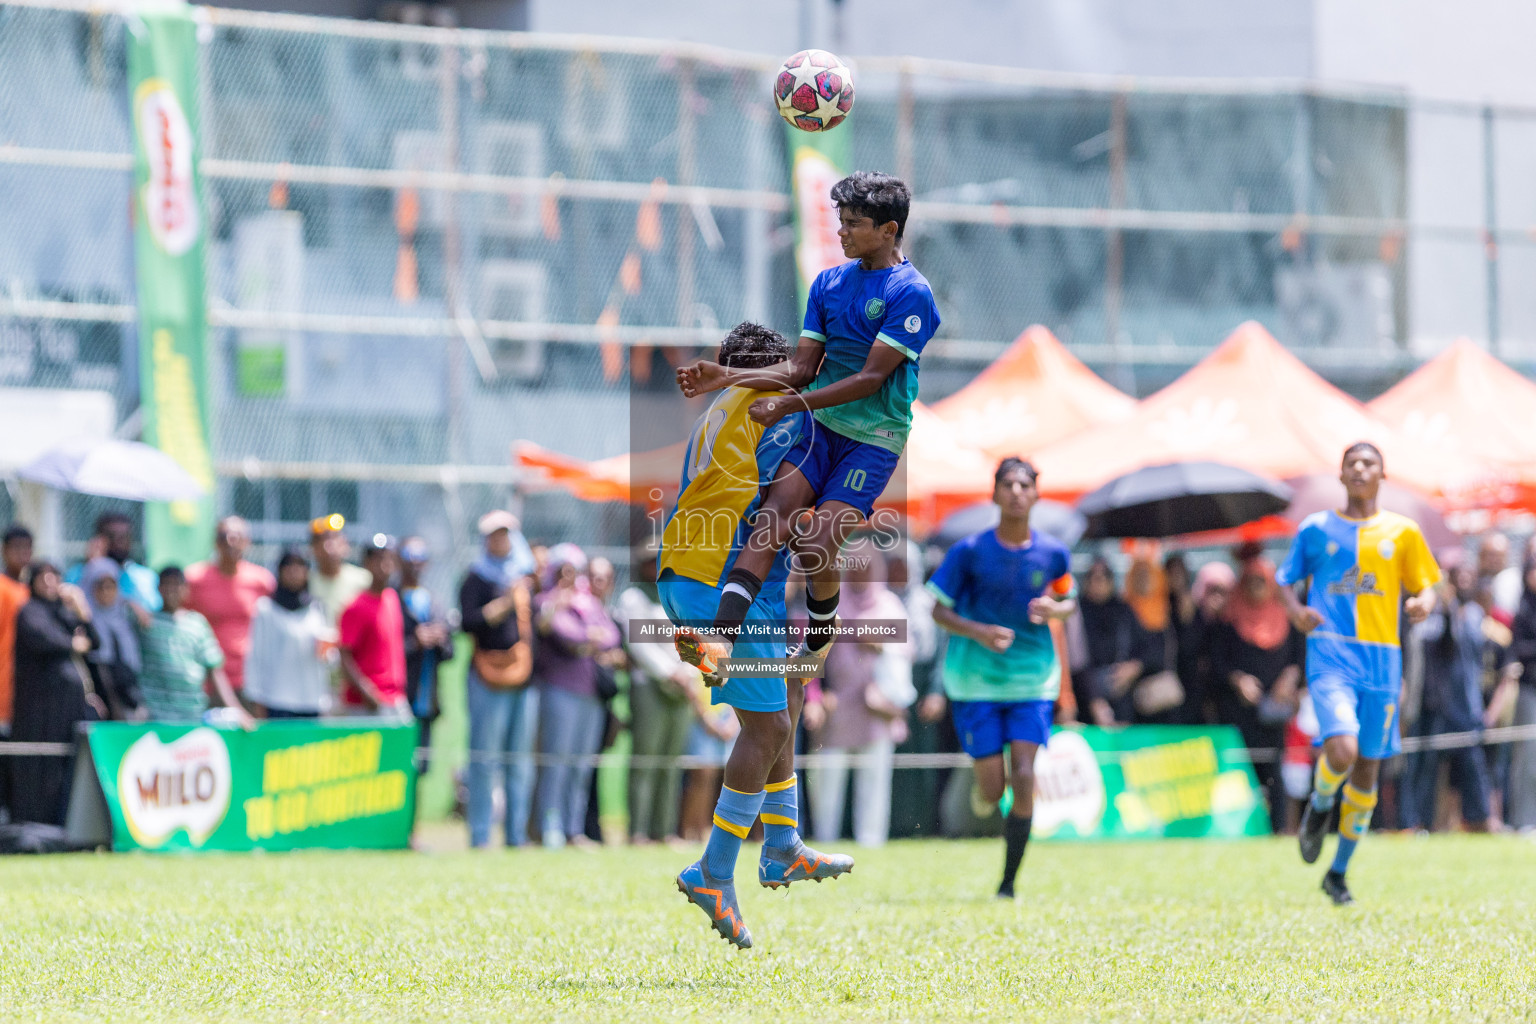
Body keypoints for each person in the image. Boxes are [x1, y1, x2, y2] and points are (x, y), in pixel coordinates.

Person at [673, 171, 939, 685]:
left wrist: (788, 408)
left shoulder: (912, 294)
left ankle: (819, 638)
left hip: (873, 439)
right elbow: (799, 369)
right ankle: (720, 643)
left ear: (888, 230)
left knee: (816, 541)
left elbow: (868, 380)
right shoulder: (828, 283)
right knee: (772, 517)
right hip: (820, 425)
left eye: (854, 224)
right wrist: (722, 376)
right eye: (839, 222)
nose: (842, 233)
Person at [659, 321, 854, 950]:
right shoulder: (772, 406)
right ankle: (716, 870)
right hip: (717, 581)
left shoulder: (723, 406)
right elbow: (784, 518)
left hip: (707, 573)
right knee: (766, 728)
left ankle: (783, 844)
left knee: (789, 697)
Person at [1282, 442, 1440, 905]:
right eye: (1352, 462)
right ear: (1341, 473)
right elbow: (1285, 582)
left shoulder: (1403, 532)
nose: (1359, 468)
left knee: (1369, 768)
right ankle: (1321, 803)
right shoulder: (1315, 530)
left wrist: (1421, 605)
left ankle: (1338, 872)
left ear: (1382, 475)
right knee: (1344, 747)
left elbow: (1427, 584)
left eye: (1368, 462)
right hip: (1331, 653)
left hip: (1383, 660)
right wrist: (1296, 611)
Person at [924, 458, 1076, 897]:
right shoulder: (969, 551)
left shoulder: (1053, 552)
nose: (1015, 491)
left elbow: (1069, 600)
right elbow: (938, 610)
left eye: (1024, 484)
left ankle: (1008, 883)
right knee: (992, 793)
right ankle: (1000, 809)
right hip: (975, 683)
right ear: (994, 494)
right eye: (1007, 484)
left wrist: (1054, 608)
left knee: (1025, 776)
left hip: (1034, 681)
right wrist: (980, 633)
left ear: (1036, 495)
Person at [804, 536, 913, 848]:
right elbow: (810, 649)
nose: (862, 573)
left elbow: (907, 649)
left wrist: (879, 639)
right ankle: (824, 843)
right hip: (836, 706)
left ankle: (871, 842)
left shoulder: (888, 603)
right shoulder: (831, 602)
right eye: (856, 566)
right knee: (827, 782)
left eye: (868, 567)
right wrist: (818, 695)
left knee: (874, 781)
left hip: (876, 708)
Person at [1403, 556, 1505, 832]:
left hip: (1465, 704)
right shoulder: (1429, 615)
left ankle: (1480, 819)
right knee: (1425, 767)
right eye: (1457, 577)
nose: (1463, 583)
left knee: (1472, 767)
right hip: (1433, 703)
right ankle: (1419, 823)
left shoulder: (1472, 614)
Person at [618, 546, 708, 845]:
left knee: (671, 762)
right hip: (650, 686)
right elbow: (640, 645)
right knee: (646, 759)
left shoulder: (677, 597)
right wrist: (671, 672)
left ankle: (665, 830)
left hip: (682, 686)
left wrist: (690, 673)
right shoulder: (634, 598)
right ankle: (639, 831)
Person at [460, 510, 536, 849]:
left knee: (519, 762)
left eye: (505, 534)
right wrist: (504, 603)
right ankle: (480, 835)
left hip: (524, 680)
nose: (500, 540)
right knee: (484, 760)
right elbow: (468, 622)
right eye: (494, 534)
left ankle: (516, 837)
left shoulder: (526, 577)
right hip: (486, 679)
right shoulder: (475, 579)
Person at [1214, 555, 1305, 833]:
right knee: (1242, 772)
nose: (1256, 588)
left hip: (1274, 712)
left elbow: (1300, 657)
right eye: (1251, 581)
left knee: (1274, 773)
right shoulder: (1230, 619)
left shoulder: (1286, 618)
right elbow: (1216, 661)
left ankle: (1276, 830)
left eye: (1261, 581)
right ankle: (1243, 830)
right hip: (1239, 711)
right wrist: (1238, 680)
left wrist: (1289, 679)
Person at [9, 563, 99, 825]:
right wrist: (72, 643)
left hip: (68, 707)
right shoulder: (30, 611)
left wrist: (82, 609)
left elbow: (96, 643)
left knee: (66, 765)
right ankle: (35, 826)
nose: (49, 582)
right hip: (38, 708)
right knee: (39, 766)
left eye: (54, 576)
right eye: (43, 576)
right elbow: (42, 637)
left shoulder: (64, 612)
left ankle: (64, 823)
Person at [137, 567, 253, 727]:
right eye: (166, 585)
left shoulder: (197, 623)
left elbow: (214, 670)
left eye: (176, 585)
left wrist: (235, 708)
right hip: (157, 716)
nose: (171, 590)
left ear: (185, 589)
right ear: (158, 588)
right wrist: (132, 605)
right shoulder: (147, 623)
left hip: (192, 714)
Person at [185, 516, 275, 698]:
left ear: (247, 541)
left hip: (251, 680)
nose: (231, 542)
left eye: (237, 536)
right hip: (206, 680)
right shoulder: (194, 579)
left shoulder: (262, 581)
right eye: (224, 536)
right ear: (215, 542)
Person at [244, 550, 333, 718]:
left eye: (300, 566)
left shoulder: (316, 608)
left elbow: (328, 656)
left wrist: (328, 652)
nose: (294, 572)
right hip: (277, 701)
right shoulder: (266, 609)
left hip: (311, 700)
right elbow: (256, 657)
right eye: (289, 566)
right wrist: (257, 699)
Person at [399, 537, 454, 784]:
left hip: (426, 698)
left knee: (421, 766)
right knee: (398, 763)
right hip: (398, 696)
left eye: (420, 560)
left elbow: (449, 652)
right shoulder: (392, 598)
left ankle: (414, 820)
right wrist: (414, 642)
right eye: (410, 559)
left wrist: (439, 638)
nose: (415, 566)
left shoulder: (434, 602)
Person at [337, 535, 410, 718]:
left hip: (395, 698)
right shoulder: (356, 606)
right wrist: (367, 692)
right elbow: (344, 655)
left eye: (389, 558)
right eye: (378, 559)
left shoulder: (392, 597)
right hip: (366, 704)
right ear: (366, 563)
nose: (385, 564)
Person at [1073, 558, 1137, 727]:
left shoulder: (1123, 610)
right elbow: (1076, 658)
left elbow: (1146, 647)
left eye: (1102, 578)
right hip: (1085, 696)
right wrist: (1095, 700)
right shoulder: (1077, 613)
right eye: (1093, 578)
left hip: (1121, 693)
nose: (1097, 583)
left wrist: (1134, 667)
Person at [1499, 546, 1536, 830]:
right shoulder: (1523, 612)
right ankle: (1524, 821)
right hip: (1528, 692)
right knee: (1526, 759)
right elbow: (1517, 651)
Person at [80, 557, 143, 720]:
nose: (106, 592)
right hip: (99, 699)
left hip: (127, 699)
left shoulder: (126, 617)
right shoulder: (84, 620)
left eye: (111, 586)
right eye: (100, 586)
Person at [1177, 561, 1237, 725]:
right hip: (1189, 696)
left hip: (1222, 700)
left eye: (1222, 592)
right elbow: (1186, 651)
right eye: (1212, 591)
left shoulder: (1231, 621)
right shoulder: (1190, 615)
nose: (1217, 597)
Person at [67, 512, 160, 611]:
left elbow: (153, 610)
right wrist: (94, 568)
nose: (120, 542)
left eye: (125, 536)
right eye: (112, 537)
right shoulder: (77, 574)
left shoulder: (143, 576)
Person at [307, 514, 372, 626]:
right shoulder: (305, 582)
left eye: (334, 537)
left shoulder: (364, 580)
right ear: (312, 548)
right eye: (321, 540)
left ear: (345, 544)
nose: (328, 545)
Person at [0, 525, 33, 738]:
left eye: (27, 548)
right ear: (4, 550)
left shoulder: (31, 588)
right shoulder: (3, 587)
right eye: (16, 547)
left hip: (24, 678)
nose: (22, 553)